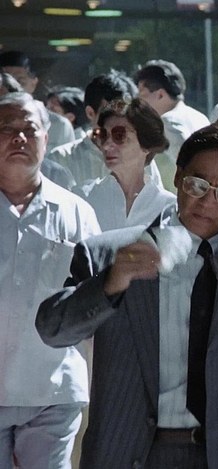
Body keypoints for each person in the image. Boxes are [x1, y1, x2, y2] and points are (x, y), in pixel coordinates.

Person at [36, 112, 218, 468]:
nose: (207, 201)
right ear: (177, 176)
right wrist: (111, 283)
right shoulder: (113, 253)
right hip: (136, 452)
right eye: (197, 185)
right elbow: (53, 331)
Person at [0, 92, 101, 468]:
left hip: (53, 387)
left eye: (29, 129)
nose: (19, 138)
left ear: (46, 138)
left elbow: (95, 300)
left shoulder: (76, 213)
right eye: (7, 129)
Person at [47, 70, 164, 190]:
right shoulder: (59, 160)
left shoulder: (140, 155)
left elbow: (155, 197)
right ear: (90, 113)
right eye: (109, 115)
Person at [76, 98, 175, 231]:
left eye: (119, 135)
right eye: (103, 135)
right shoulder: (83, 198)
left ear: (146, 145)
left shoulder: (168, 208)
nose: (106, 145)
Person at [136, 59, 210, 192]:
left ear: (160, 95)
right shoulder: (200, 117)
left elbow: (192, 165)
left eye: (142, 93)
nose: (139, 100)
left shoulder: (167, 122)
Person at [0, 50, 76, 152]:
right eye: (5, 82)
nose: (14, 87)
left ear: (34, 82)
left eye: (20, 81)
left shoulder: (58, 125)